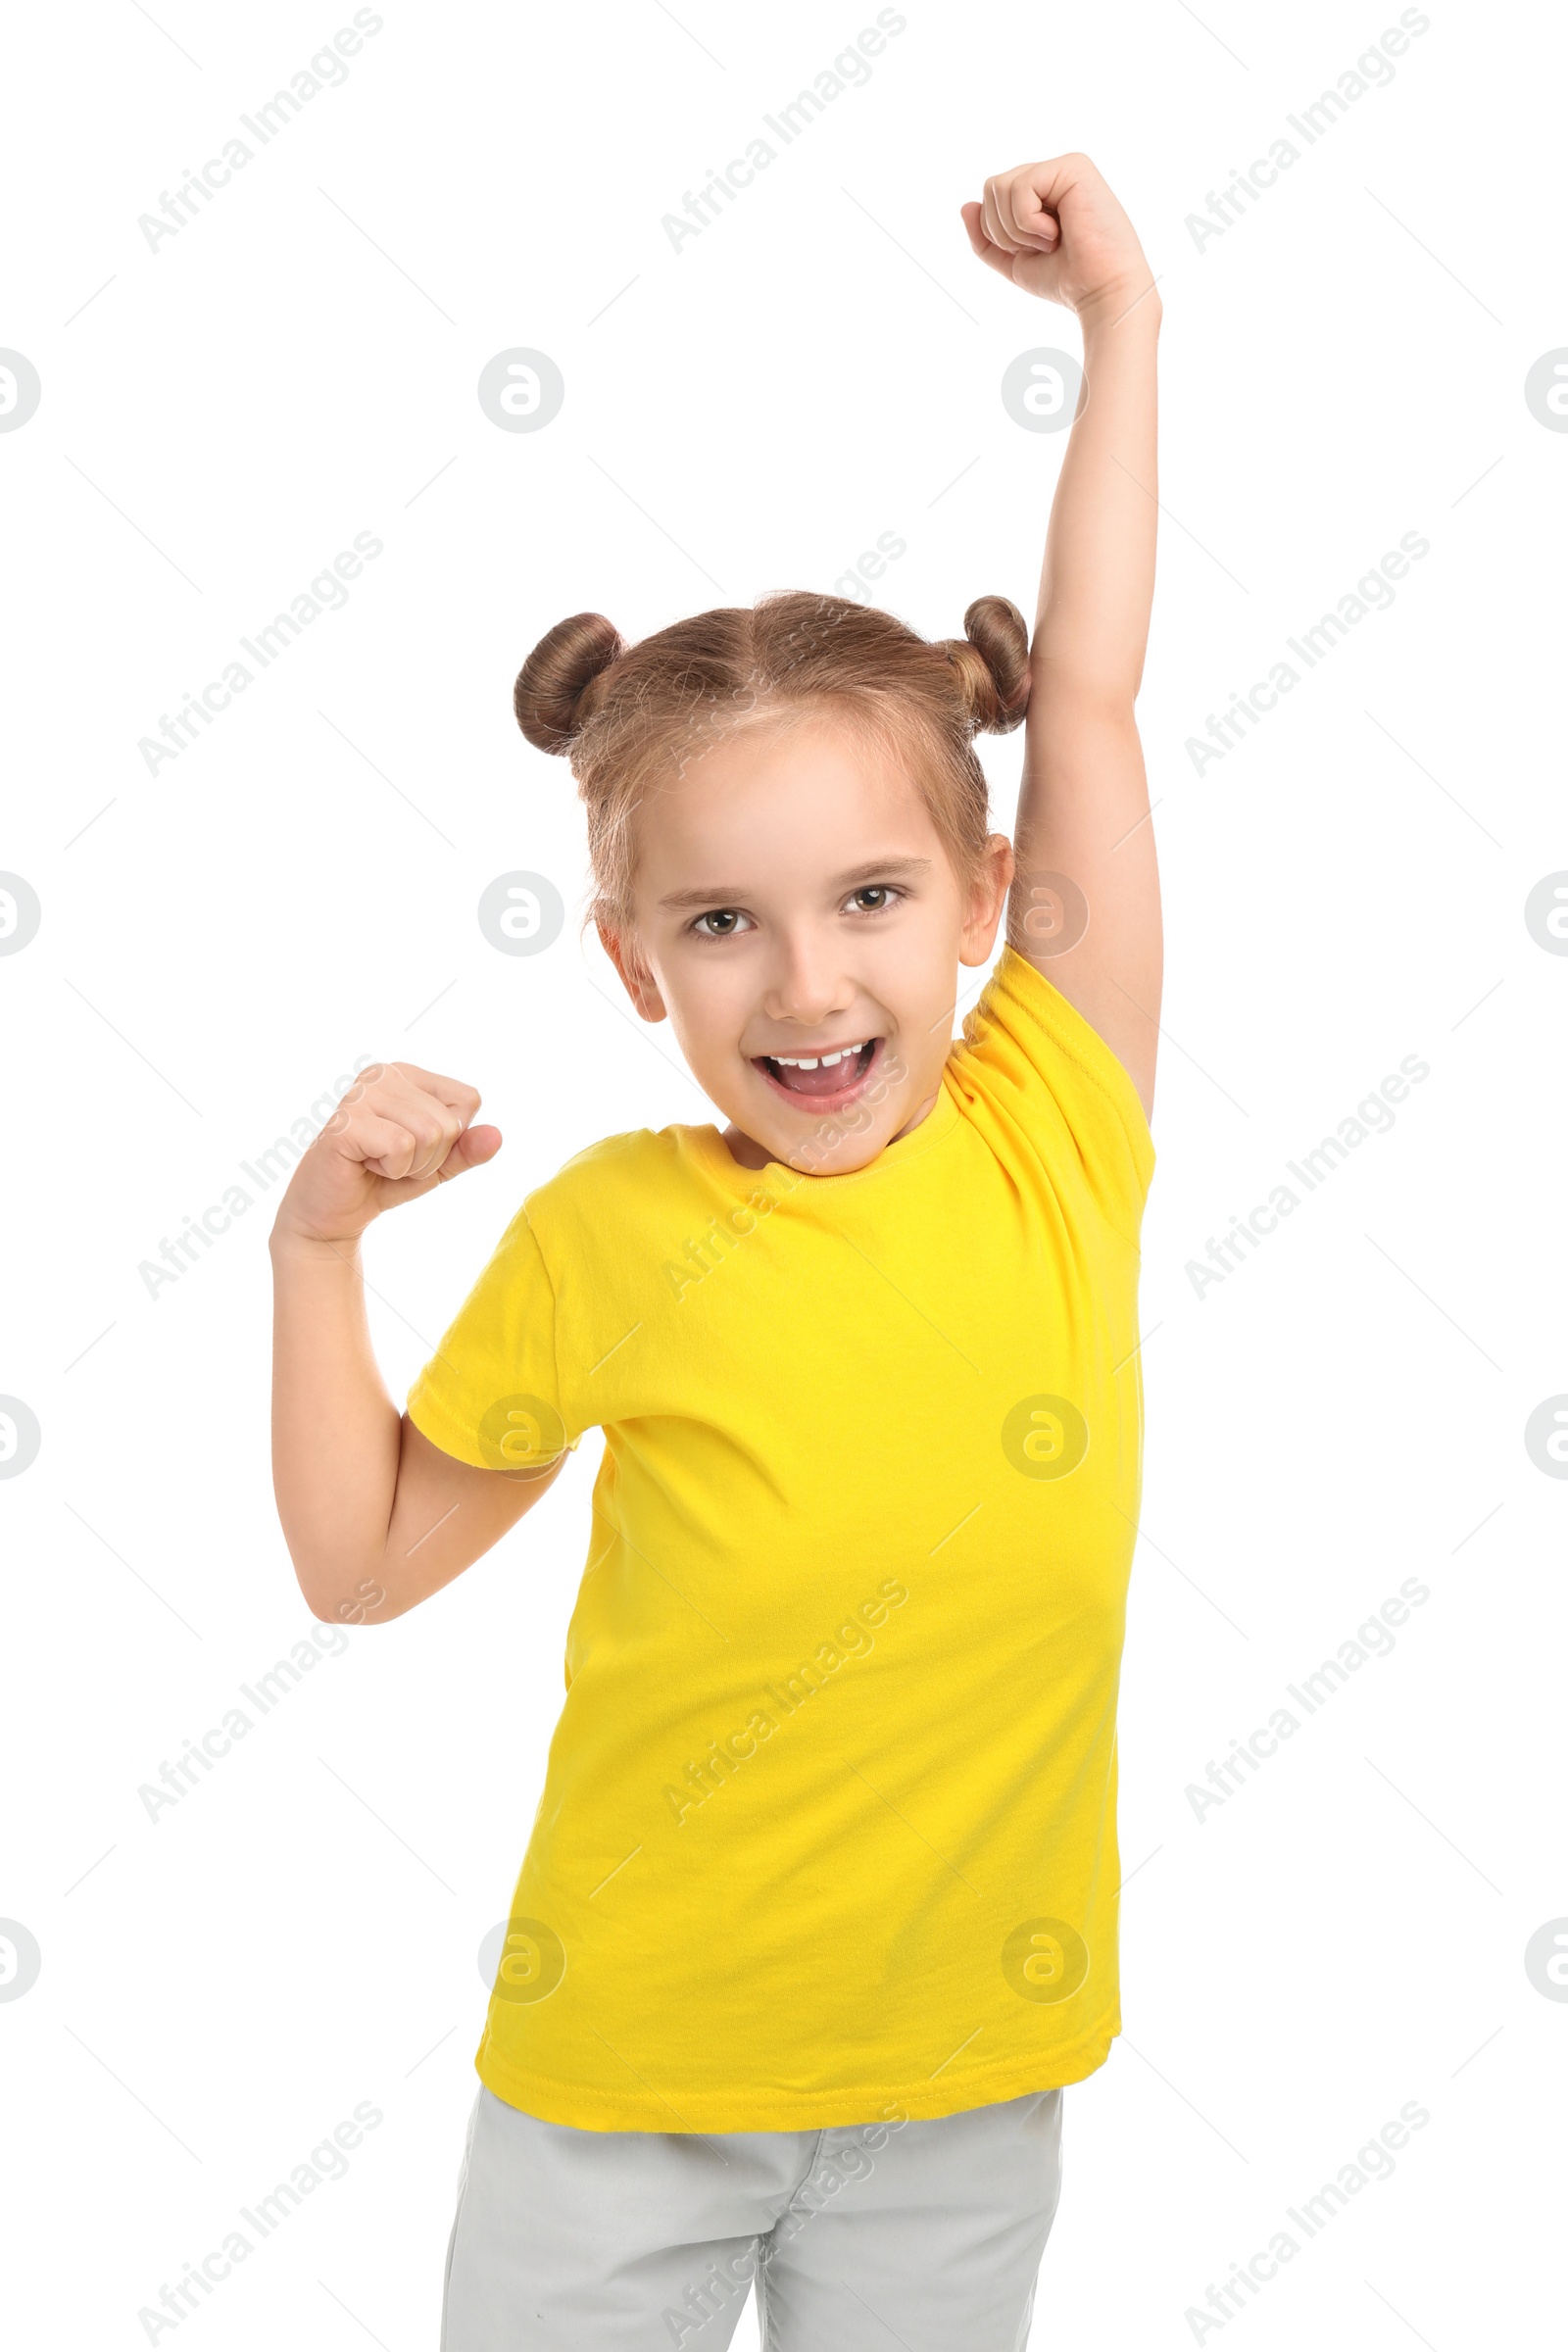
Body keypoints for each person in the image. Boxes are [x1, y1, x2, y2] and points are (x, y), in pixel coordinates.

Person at [270, 150, 1162, 2352]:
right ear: (628, 964)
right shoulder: (611, 1230)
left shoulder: (1053, 1123)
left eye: (868, 899)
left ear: (980, 904)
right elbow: (361, 1565)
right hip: (622, 2106)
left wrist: (1119, 328)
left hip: (961, 2091)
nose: (802, 989)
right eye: (716, 925)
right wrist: (315, 1250)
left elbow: (1098, 707)